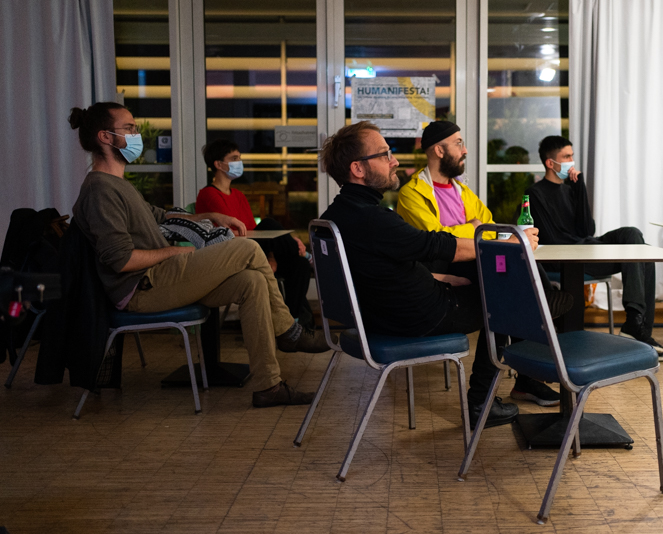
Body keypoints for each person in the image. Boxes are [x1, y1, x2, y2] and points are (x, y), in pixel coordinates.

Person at [68, 101, 332, 408]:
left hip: (160, 278)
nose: (137, 134)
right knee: (248, 247)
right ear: (105, 137)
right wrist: (171, 252)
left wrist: (208, 216)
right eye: (129, 128)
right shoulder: (100, 190)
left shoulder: (117, 184)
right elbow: (121, 260)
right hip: (143, 287)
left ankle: (268, 386)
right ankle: (289, 331)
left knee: (252, 282)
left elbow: (160, 215)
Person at [319, 121, 543, 429]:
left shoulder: (336, 215)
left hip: (387, 313)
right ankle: (482, 404)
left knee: (484, 283)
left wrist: (440, 279)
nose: (394, 161)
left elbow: (385, 268)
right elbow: (437, 245)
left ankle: (539, 332)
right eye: (385, 154)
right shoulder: (372, 219)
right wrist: (514, 243)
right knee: (506, 301)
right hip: (420, 316)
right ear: (357, 168)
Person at [396, 121, 568, 406]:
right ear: (439, 150)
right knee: (505, 293)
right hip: (443, 270)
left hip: (475, 261)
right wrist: (473, 227)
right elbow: (436, 240)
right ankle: (541, 306)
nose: (465, 150)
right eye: (458, 143)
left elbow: (490, 228)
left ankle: (538, 304)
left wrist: (473, 229)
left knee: (515, 264)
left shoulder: (462, 191)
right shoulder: (411, 193)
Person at [526, 135, 663, 361]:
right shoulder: (536, 194)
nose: (572, 161)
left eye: (572, 156)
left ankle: (636, 323)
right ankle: (636, 328)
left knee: (634, 238)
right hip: (568, 256)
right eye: (566, 157)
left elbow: (586, 231)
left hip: (586, 246)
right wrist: (588, 245)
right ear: (550, 163)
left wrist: (579, 188)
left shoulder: (570, 190)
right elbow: (553, 239)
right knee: (640, 254)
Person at [196, 139, 315, 328]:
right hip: (230, 255)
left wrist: (270, 257)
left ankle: (290, 324)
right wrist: (267, 254)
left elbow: (255, 233)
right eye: (234, 158)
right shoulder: (209, 194)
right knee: (268, 223)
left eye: (239, 158)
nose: (239, 162)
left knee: (299, 266)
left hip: (251, 250)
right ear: (218, 164)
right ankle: (303, 252)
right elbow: (233, 235)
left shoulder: (239, 195)